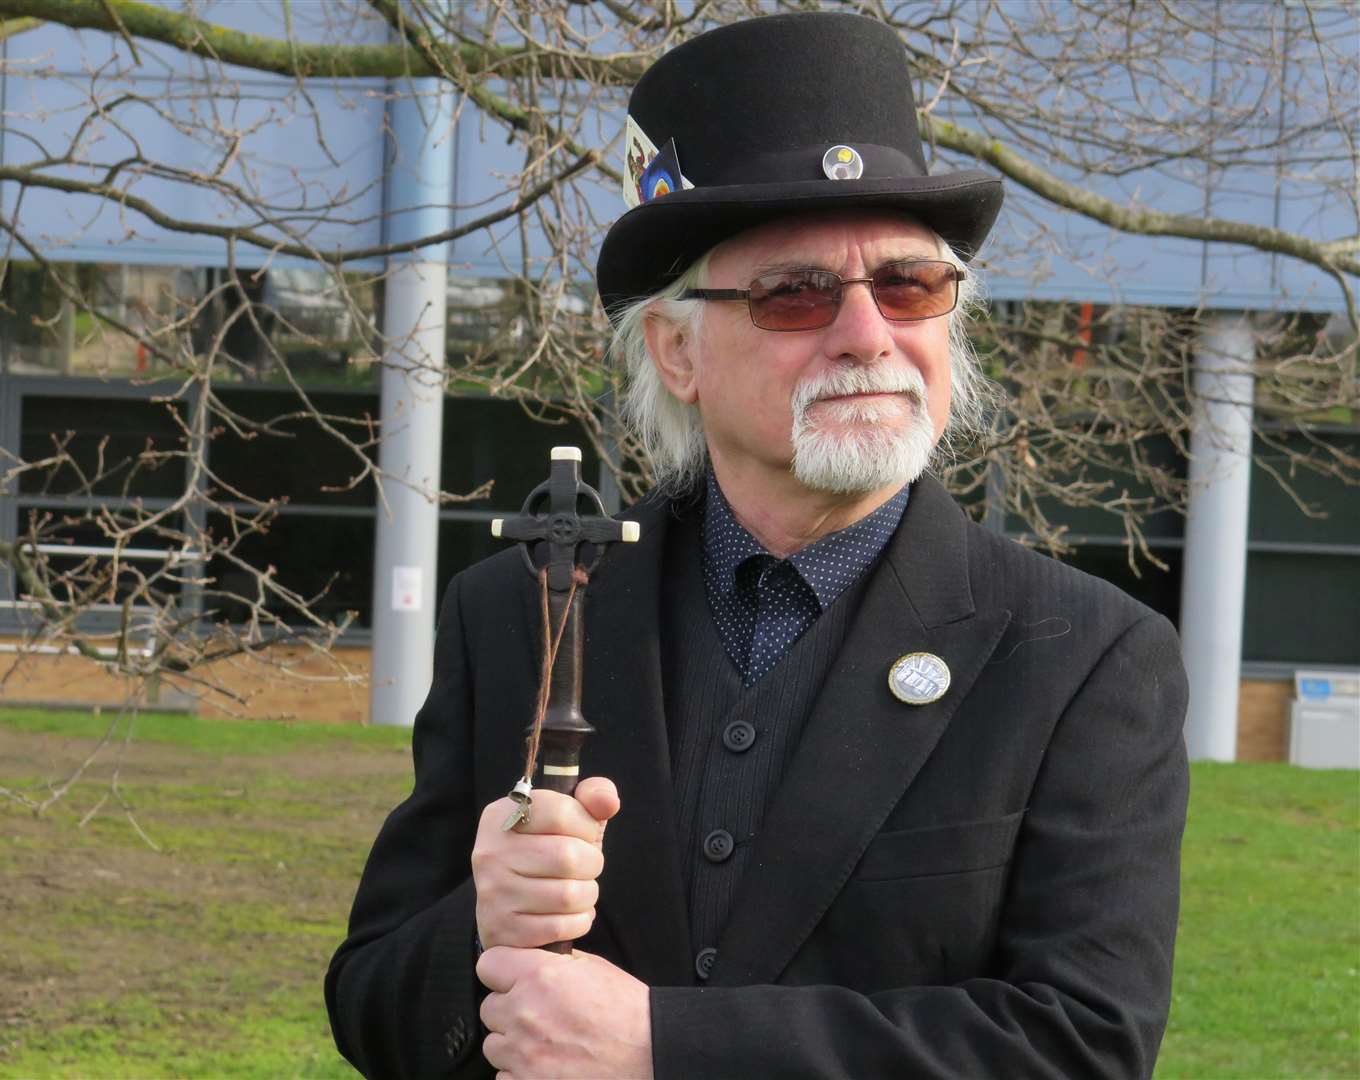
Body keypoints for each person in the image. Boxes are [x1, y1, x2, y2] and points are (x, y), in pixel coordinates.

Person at [326, 12, 1188, 1079]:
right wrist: (480, 925)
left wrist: (665, 1047)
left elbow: (1082, 1048)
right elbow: (373, 1011)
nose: (870, 334)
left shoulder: (1083, 658)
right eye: (796, 294)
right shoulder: (522, 613)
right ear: (676, 350)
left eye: (910, 285)